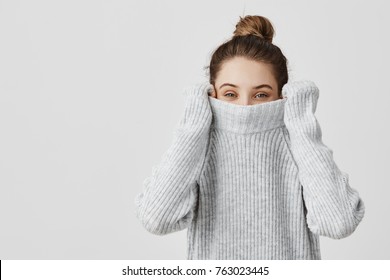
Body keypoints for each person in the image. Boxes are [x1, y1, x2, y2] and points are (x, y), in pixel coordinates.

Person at [134, 15, 365, 260]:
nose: (244, 107)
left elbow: (339, 223)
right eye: (230, 93)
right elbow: (156, 219)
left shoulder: (296, 140)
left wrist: (302, 124)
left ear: (281, 95)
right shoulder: (201, 144)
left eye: (261, 95)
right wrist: (193, 126)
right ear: (212, 93)